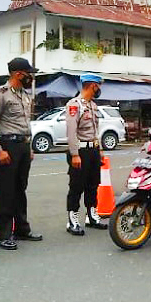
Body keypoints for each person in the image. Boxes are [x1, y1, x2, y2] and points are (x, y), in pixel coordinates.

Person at [0, 57, 43, 250]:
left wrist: (30, 147)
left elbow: (26, 123)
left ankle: (21, 229)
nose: (31, 78)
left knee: (20, 189)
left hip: (23, 147)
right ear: (19, 74)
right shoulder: (1, 95)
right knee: (6, 191)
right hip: (7, 146)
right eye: (28, 74)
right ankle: (2, 234)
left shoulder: (24, 95)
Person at [65, 73, 107, 235]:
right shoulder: (74, 105)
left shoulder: (93, 105)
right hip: (80, 151)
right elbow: (71, 131)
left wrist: (100, 151)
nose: (99, 89)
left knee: (93, 185)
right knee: (76, 186)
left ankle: (91, 216)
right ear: (92, 86)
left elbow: (96, 131)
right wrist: (75, 154)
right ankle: (72, 219)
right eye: (98, 86)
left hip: (93, 150)